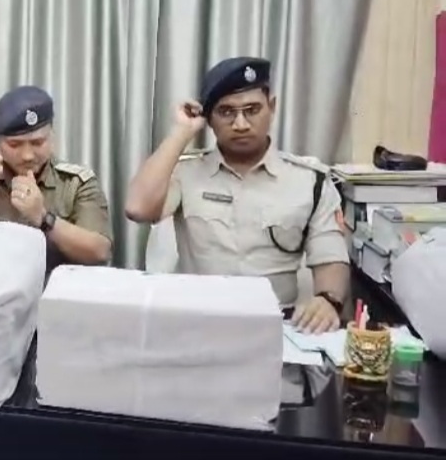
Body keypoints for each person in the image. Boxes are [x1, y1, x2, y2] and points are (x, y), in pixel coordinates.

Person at [124, 57, 350, 335]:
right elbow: (138, 208)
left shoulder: (310, 181)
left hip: (276, 326)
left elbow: (330, 255)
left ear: (272, 107)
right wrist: (182, 131)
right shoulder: (185, 173)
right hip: (199, 323)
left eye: (252, 110)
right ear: (209, 119)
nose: (241, 124)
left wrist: (328, 300)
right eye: (226, 112)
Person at [0, 86, 112, 270]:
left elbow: (100, 253)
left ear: (52, 137)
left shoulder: (75, 183)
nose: (27, 155)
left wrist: (44, 218)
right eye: (14, 145)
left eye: (37, 143)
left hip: (54, 285)